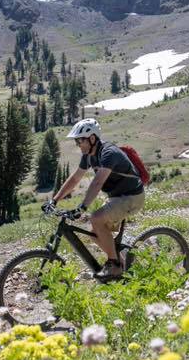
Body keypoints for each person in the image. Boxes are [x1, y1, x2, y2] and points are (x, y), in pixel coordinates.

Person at [46, 118, 145, 282]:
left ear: (92, 138)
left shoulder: (109, 153)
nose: (78, 144)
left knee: (96, 218)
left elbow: (98, 182)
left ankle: (114, 265)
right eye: (76, 141)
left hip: (132, 196)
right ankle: (120, 262)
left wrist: (82, 207)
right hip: (118, 198)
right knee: (93, 231)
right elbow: (75, 179)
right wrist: (54, 200)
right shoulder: (89, 155)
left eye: (80, 140)